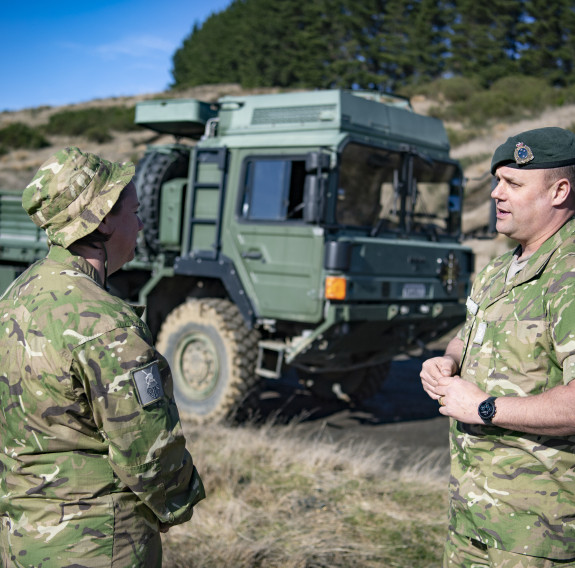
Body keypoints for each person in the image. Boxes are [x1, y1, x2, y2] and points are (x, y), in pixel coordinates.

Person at [0, 147, 205, 567]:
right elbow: (151, 455)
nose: (142, 224)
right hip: (99, 545)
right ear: (104, 219)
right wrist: (180, 501)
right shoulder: (107, 326)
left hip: (22, 540)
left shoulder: (14, 297)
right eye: (134, 211)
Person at [421, 126, 575, 567]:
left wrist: (486, 408)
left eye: (513, 183)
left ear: (559, 191)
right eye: (496, 181)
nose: (495, 193)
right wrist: (446, 361)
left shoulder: (568, 275)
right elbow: (469, 334)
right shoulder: (498, 269)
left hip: (539, 537)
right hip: (473, 520)